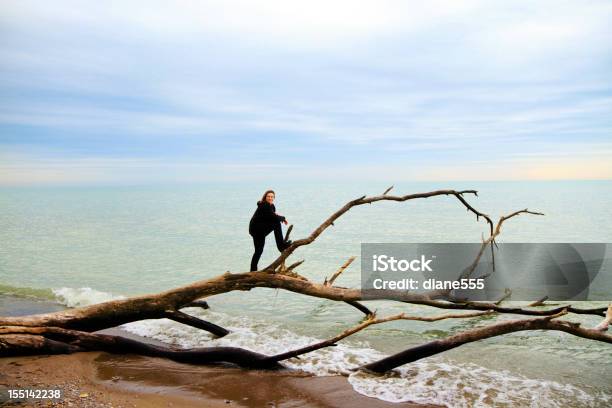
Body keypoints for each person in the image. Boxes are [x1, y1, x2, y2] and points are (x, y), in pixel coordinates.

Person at [249, 190, 292, 271]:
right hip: (256, 230)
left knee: (258, 251)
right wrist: (283, 218)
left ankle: (253, 270)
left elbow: (273, 215)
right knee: (276, 223)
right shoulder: (264, 205)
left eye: (272, 197)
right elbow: (274, 217)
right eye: (268, 196)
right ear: (265, 197)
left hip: (261, 228)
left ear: (274, 198)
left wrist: (281, 218)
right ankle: (281, 246)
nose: (270, 198)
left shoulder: (271, 206)